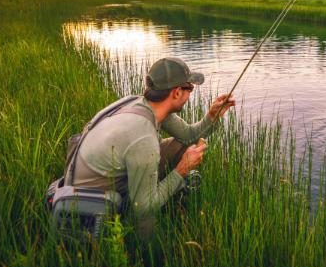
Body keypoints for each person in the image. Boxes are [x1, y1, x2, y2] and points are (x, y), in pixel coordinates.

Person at [69, 57, 235, 236]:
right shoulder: (143, 137)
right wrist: (182, 169)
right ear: (177, 92)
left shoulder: (142, 104)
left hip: (103, 175)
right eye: (190, 89)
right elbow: (143, 208)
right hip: (95, 201)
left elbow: (188, 136)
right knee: (146, 214)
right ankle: (148, 255)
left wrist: (212, 116)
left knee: (181, 144)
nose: (190, 94)